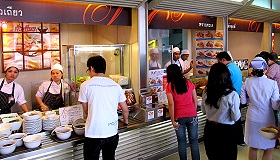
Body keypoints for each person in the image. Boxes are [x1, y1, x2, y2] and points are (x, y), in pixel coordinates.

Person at [78, 55, 129, 160]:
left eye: (88, 69)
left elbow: (87, 111)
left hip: (94, 133)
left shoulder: (85, 85)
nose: (88, 72)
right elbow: (125, 109)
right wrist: (126, 120)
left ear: (91, 68)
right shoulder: (115, 85)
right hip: (112, 133)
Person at [240, 57, 280, 160]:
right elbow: (275, 106)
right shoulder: (272, 84)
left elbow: (243, 101)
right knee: (268, 148)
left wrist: (252, 101)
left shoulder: (247, 82)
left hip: (252, 117)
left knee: (253, 147)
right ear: (266, 68)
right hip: (267, 118)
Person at [201, 63, 241, 160]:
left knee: (213, 156)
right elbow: (235, 117)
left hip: (210, 129)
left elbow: (203, 111)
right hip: (226, 131)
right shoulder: (232, 95)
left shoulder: (206, 92)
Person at [165, 64, 200, 160]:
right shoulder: (188, 82)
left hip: (179, 117)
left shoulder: (169, 86)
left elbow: (171, 104)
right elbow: (195, 99)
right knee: (194, 141)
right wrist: (193, 111)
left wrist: (172, 120)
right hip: (192, 115)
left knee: (182, 142)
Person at [216, 51, 245, 146]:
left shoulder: (227, 70)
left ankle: (233, 140)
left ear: (223, 60)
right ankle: (240, 140)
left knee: (232, 121)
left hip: (230, 98)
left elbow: (223, 84)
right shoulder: (235, 67)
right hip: (237, 96)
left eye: (219, 61)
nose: (218, 63)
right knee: (237, 120)